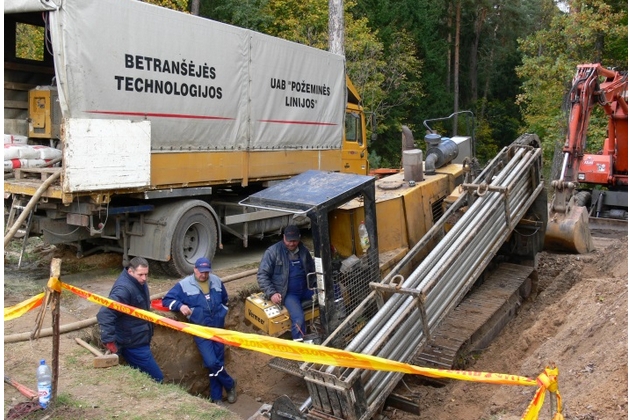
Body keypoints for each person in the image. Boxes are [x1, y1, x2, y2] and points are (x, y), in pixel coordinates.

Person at [162, 257, 237, 405]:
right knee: (211, 362)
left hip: (218, 329)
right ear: (195, 269)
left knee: (218, 362)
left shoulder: (216, 281)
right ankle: (230, 384)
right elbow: (166, 300)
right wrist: (179, 305)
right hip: (200, 330)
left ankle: (216, 398)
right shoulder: (184, 285)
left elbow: (224, 298)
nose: (203, 275)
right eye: (201, 272)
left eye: (206, 272)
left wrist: (222, 311)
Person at [97, 256, 164, 382]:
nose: (144, 278)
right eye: (141, 274)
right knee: (157, 378)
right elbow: (105, 313)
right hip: (133, 343)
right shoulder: (124, 290)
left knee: (140, 376)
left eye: (146, 274)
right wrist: (109, 340)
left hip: (138, 337)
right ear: (130, 272)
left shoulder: (138, 282)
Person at [257, 224, 316, 341]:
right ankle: (299, 348)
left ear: (299, 238)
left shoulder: (303, 251)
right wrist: (272, 293)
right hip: (289, 294)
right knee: (299, 319)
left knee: (332, 289)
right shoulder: (273, 252)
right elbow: (262, 275)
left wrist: (317, 285)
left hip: (306, 289)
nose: (292, 243)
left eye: (295, 241)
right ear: (284, 237)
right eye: (289, 241)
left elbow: (312, 269)